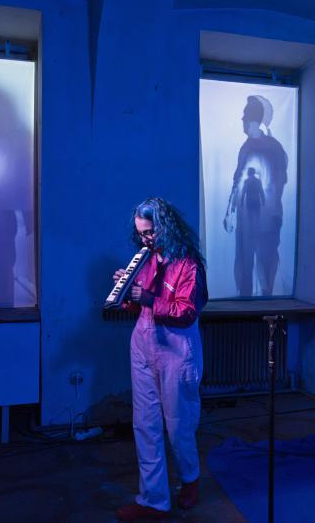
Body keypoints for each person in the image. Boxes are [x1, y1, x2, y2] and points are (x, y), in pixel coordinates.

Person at [112, 197, 208, 521]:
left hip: (176, 351)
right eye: (140, 233)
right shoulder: (145, 259)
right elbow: (139, 308)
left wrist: (149, 298)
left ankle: (190, 480)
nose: (145, 239)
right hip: (143, 345)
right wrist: (126, 294)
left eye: (150, 232)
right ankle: (153, 500)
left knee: (179, 426)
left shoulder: (189, 263)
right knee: (145, 425)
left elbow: (186, 311)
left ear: (164, 226)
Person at [224, 95, 288, 296]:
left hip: (266, 220)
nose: (241, 119)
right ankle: (245, 303)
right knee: (244, 264)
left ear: (252, 118)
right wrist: (230, 211)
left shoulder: (273, 147)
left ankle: (264, 305)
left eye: (244, 115)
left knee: (265, 264)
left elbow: (278, 184)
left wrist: (272, 213)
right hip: (247, 219)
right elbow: (237, 182)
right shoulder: (246, 147)